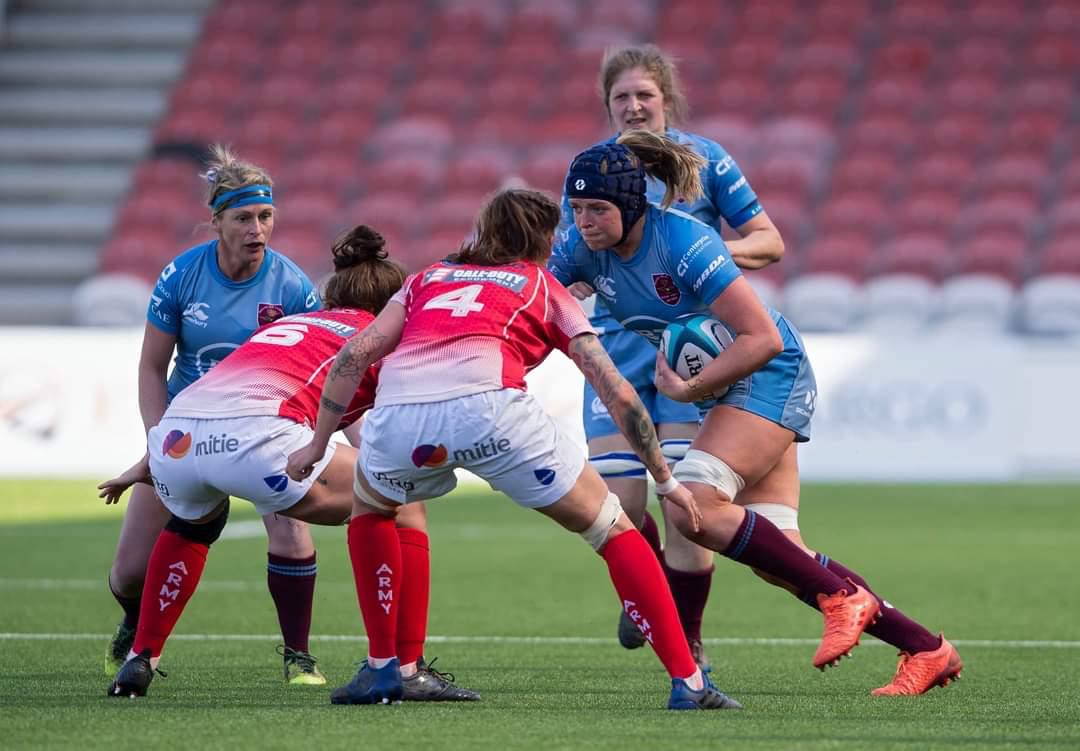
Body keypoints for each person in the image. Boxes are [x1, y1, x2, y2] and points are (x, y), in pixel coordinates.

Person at [286, 188, 742, 711]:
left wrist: (318, 443)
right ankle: (688, 682)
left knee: (373, 508)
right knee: (613, 528)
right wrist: (665, 479)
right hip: (492, 413)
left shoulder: (426, 278)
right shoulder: (543, 286)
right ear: (544, 240)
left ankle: (384, 667)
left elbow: (356, 354)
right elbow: (614, 388)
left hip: (401, 419)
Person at [550, 131, 963, 696]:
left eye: (597, 208)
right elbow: (537, 297)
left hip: (770, 374)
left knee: (694, 507)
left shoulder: (684, 241)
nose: (584, 221)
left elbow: (762, 338)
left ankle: (844, 598)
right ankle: (926, 648)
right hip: (726, 388)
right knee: (781, 558)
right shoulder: (581, 247)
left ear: (630, 204)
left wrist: (691, 390)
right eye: (576, 208)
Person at [100, 225, 479, 702]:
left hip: (178, 437)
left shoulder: (286, 328)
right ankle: (402, 668)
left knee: (194, 525)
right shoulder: (379, 337)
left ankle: (140, 659)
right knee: (400, 503)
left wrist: (151, 458)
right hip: (260, 439)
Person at [557, 44, 786, 667]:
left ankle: (690, 642)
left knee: (684, 502)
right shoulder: (592, 170)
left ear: (667, 100)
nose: (633, 106)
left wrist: (704, 256)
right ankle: (653, 575)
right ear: (607, 104)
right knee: (618, 506)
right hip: (615, 347)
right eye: (621, 97)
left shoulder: (706, 160)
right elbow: (568, 261)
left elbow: (769, 242)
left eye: (645, 95)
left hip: (688, 350)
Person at [105, 145, 325, 686]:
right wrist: (157, 442)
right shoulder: (181, 275)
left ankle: (298, 655)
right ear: (217, 221)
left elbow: (316, 371)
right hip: (186, 432)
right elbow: (152, 367)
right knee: (129, 572)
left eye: (266, 216)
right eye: (244, 218)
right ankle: (134, 621)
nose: (258, 229)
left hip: (261, 431)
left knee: (292, 536)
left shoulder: (293, 287)